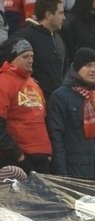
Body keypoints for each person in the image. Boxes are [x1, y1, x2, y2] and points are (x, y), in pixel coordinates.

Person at [46, 47, 95, 179]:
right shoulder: (60, 96)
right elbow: (56, 139)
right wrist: (61, 177)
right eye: (88, 65)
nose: (93, 69)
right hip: (77, 172)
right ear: (77, 69)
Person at [0, 38, 52, 173]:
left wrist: (48, 153)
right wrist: (19, 157)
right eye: (25, 56)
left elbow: (43, 120)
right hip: (18, 160)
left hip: (41, 158)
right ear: (13, 58)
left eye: (32, 56)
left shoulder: (34, 83)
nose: (30, 60)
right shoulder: (3, 82)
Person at [14, 0, 67, 99]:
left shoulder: (59, 39)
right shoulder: (25, 36)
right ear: (48, 15)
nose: (64, 17)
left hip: (56, 103)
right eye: (60, 13)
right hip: (32, 102)